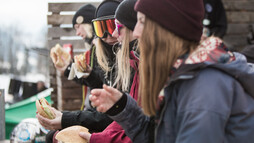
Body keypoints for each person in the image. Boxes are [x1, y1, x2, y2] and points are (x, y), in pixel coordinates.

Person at [89, 0, 254, 142]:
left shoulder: (205, 88)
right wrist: (124, 109)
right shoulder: (181, 74)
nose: (137, 31)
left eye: (142, 21)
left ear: (166, 28)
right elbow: (162, 138)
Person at [37, 1, 120, 142]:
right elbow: (100, 82)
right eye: (101, 29)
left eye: (78, 27)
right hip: (97, 115)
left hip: (102, 119)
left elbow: (102, 85)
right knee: (53, 135)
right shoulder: (99, 50)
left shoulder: (103, 50)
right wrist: (71, 70)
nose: (77, 33)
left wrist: (66, 118)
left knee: (53, 136)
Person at [80, 0, 139, 142]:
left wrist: (67, 119)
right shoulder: (105, 57)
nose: (109, 34)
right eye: (101, 29)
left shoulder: (135, 62)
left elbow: (136, 122)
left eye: (114, 26)